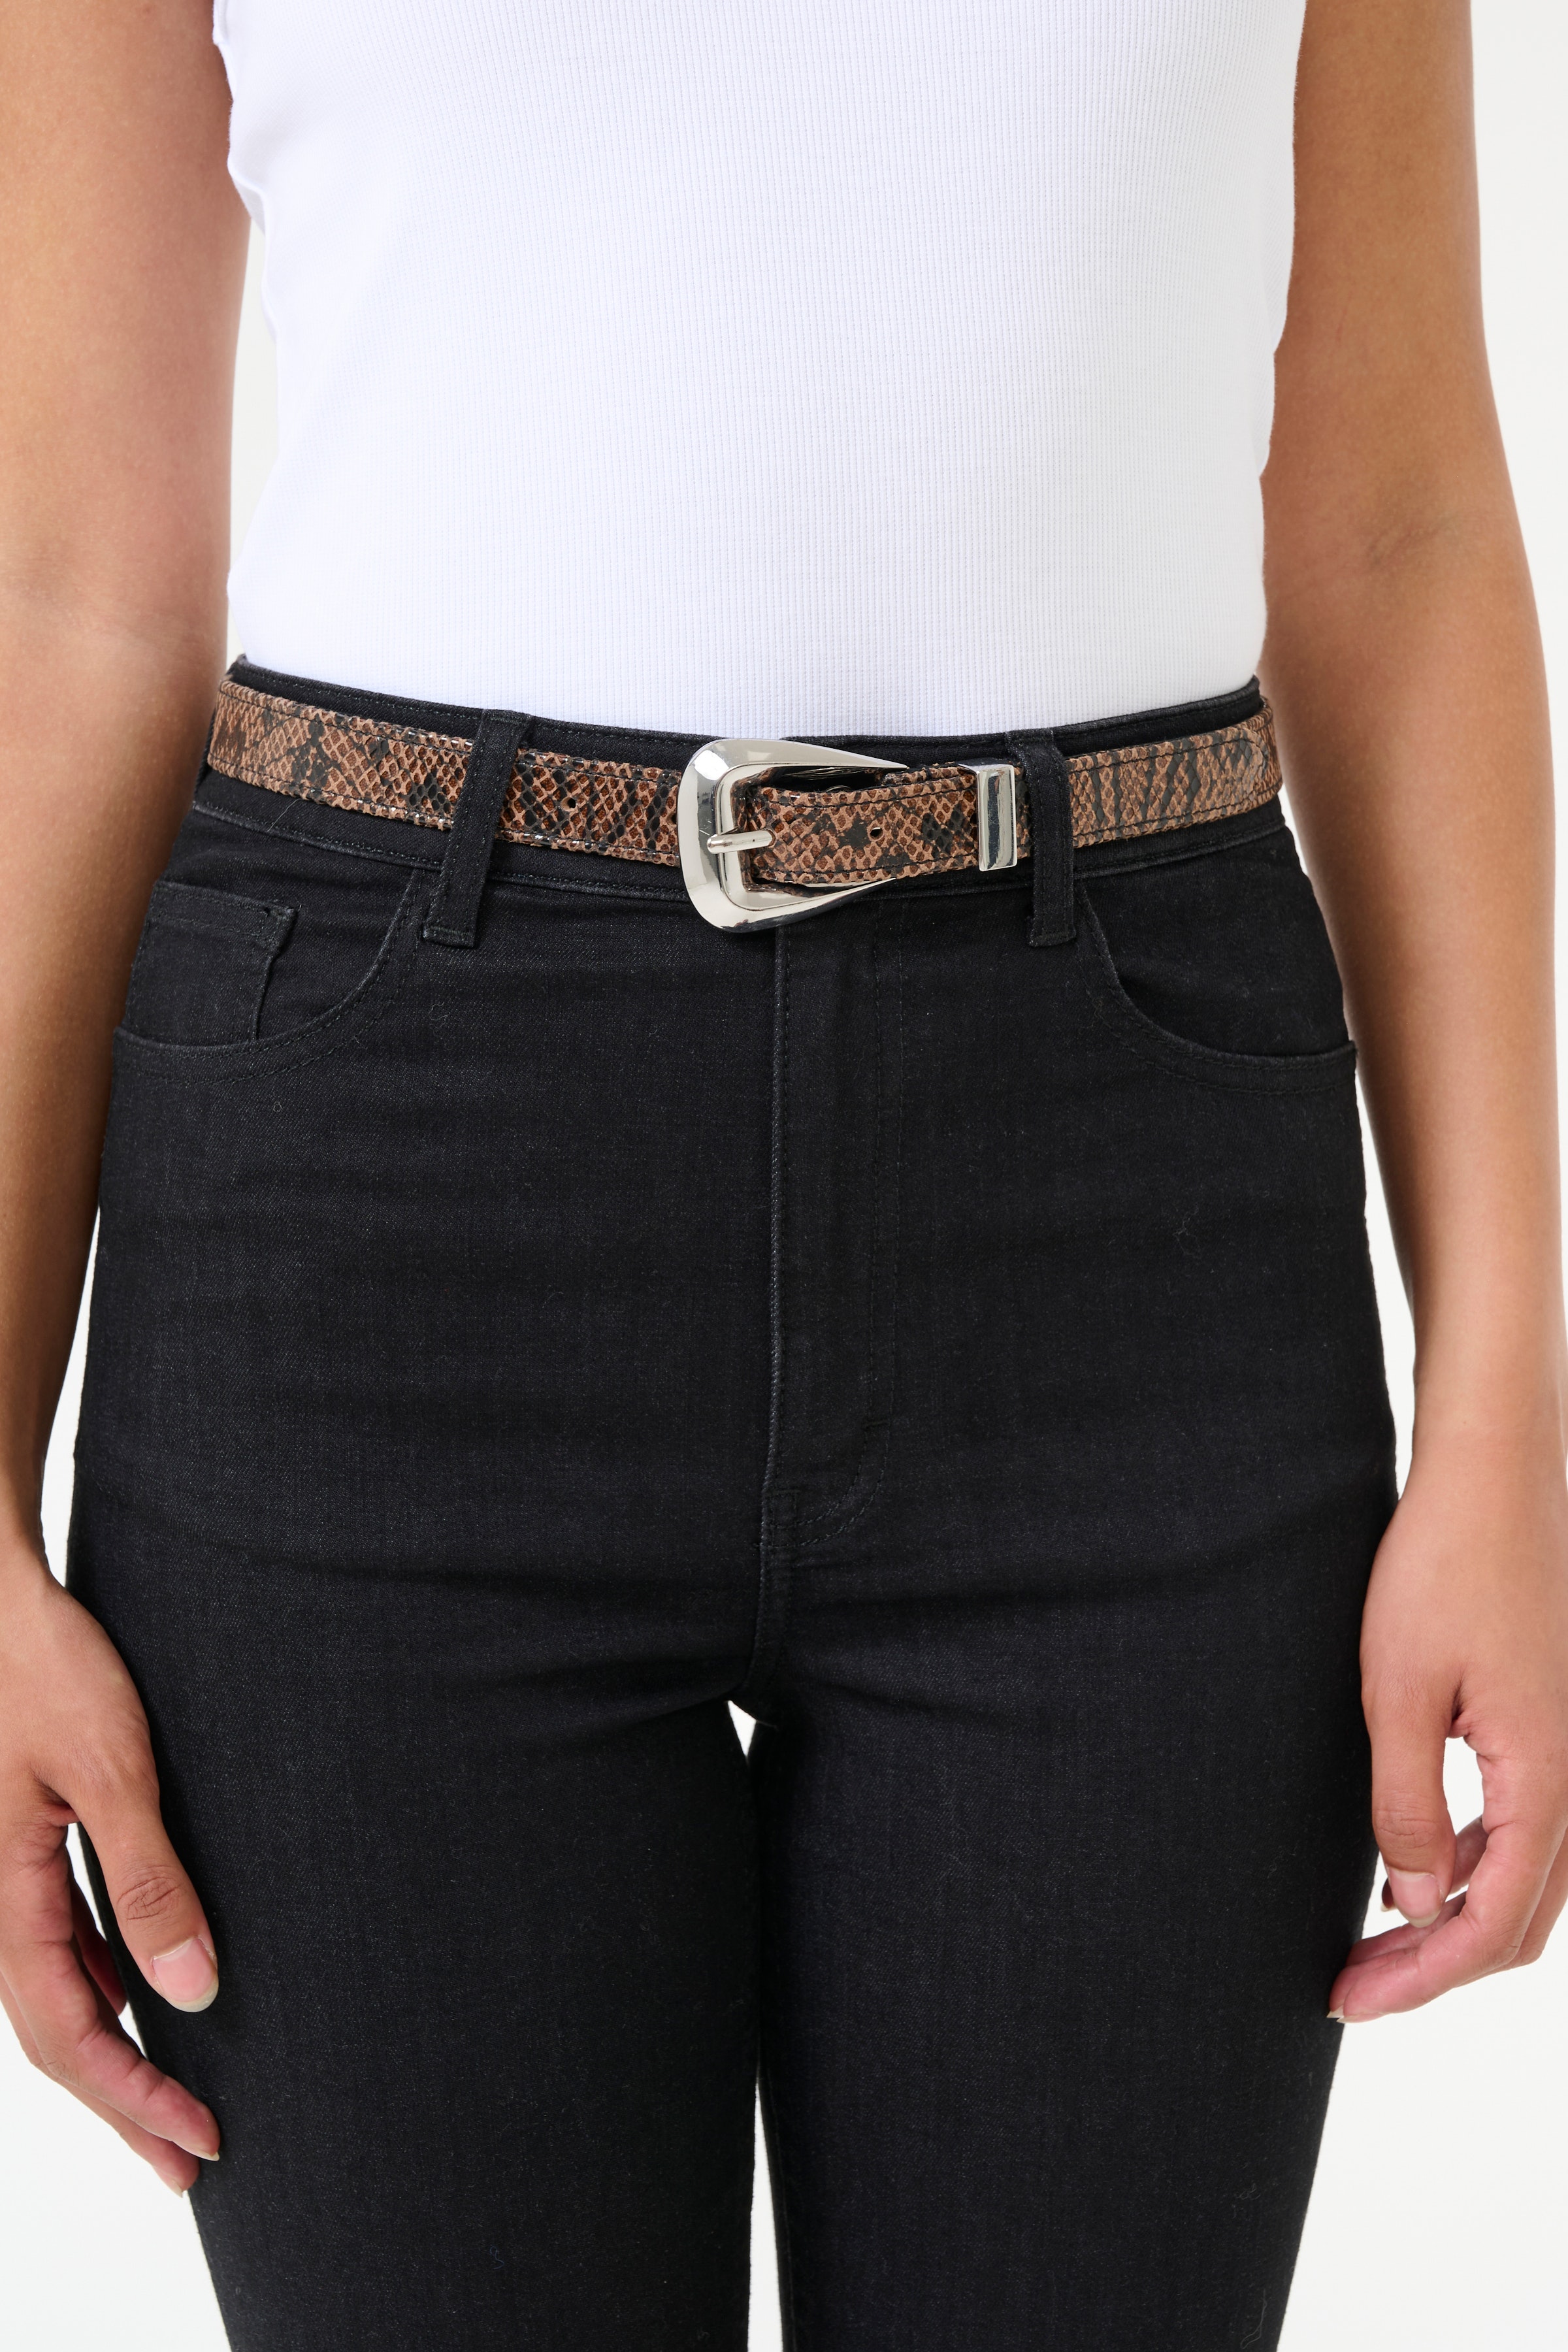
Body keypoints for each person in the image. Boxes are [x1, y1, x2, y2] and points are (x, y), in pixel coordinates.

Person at [1, 1, 1564, 2345]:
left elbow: (1398, 530)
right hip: (382, 1205)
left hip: (1121, 1198)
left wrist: (1509, 1424)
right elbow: (73, 590)